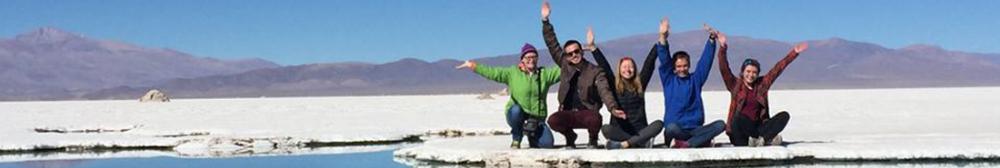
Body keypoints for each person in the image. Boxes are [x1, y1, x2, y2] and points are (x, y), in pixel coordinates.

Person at [541, 1, 623, 149]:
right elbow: (552, 44)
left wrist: (612, 107)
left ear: (582, 51)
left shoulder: (594, 71)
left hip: (587, 112)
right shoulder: (565, 65)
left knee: (595, 118)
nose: (574, 55)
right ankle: (570, 138)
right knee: (553, 120)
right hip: (568, 112)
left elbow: (605, 91)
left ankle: (593, 140)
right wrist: (546, 21)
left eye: (576, 51)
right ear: (566, 56)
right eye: (570, 53)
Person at [456, 43, 559, 149]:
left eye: (534, 57)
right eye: (528, 57)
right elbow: (493, 73)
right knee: (516, 110)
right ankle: (517, 137)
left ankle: (531, 136)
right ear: (522, 59)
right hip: (517, 115)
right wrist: (473, 66)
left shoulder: (544, 75)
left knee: (547, 144)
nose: (531, 60)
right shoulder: (512, 73)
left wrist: (573, 60)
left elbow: (561, 70)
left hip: (536, 118)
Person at [717, 32, 807, 147]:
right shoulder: (735, 85)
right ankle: (762, 140)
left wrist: (794, 53)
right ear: (743, 72)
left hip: (758, 127)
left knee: (784, 116)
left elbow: (777, 69)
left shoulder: (762, 85)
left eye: (754, 72)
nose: (751, 75)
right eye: (748, 71)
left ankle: (762, 139)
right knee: (738, 119)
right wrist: (723, 48)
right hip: (740, 128)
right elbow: (724, 68)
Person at [585, 25, 664, 149]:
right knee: (606, 129)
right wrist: (593, 47)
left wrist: (661, 38)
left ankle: (626, 144)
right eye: (624, 67)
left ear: (635, 69)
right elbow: (604, 66)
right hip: (621, 131)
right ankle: (639, 142)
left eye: (630, 67)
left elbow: (649, 63)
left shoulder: (640, 84)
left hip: (639, 130)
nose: (628, 69)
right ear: (620, 70)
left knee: (659, 124)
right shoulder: (614, 84)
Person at [658, 22, 726, 148]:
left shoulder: (695, 80)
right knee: (671, 128)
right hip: (677, 130)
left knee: (721, 125)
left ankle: (687, 144)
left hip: (695, 129)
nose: (682, 69)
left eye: (685, 66)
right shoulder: (669, 80)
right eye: (678, 66)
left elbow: (705, 63)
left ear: (689, 65)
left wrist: (712, 39)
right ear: (674, 67)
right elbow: (664, 59)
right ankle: (699, 141)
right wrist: (662, 37)